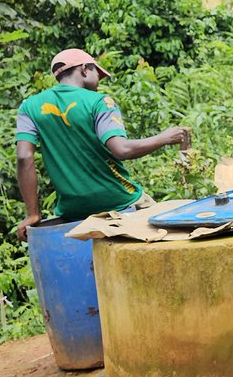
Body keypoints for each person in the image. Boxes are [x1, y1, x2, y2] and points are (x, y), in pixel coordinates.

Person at [16, 49, 189, 241]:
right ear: (84, 69)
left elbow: (24, 157)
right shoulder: (99, 102)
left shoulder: (29, 107)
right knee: (170, 235)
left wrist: (32, 214)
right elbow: (121, 149)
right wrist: (164, 138)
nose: (99, 82)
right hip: (119, 199)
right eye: (97, 74)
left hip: (72, 211)